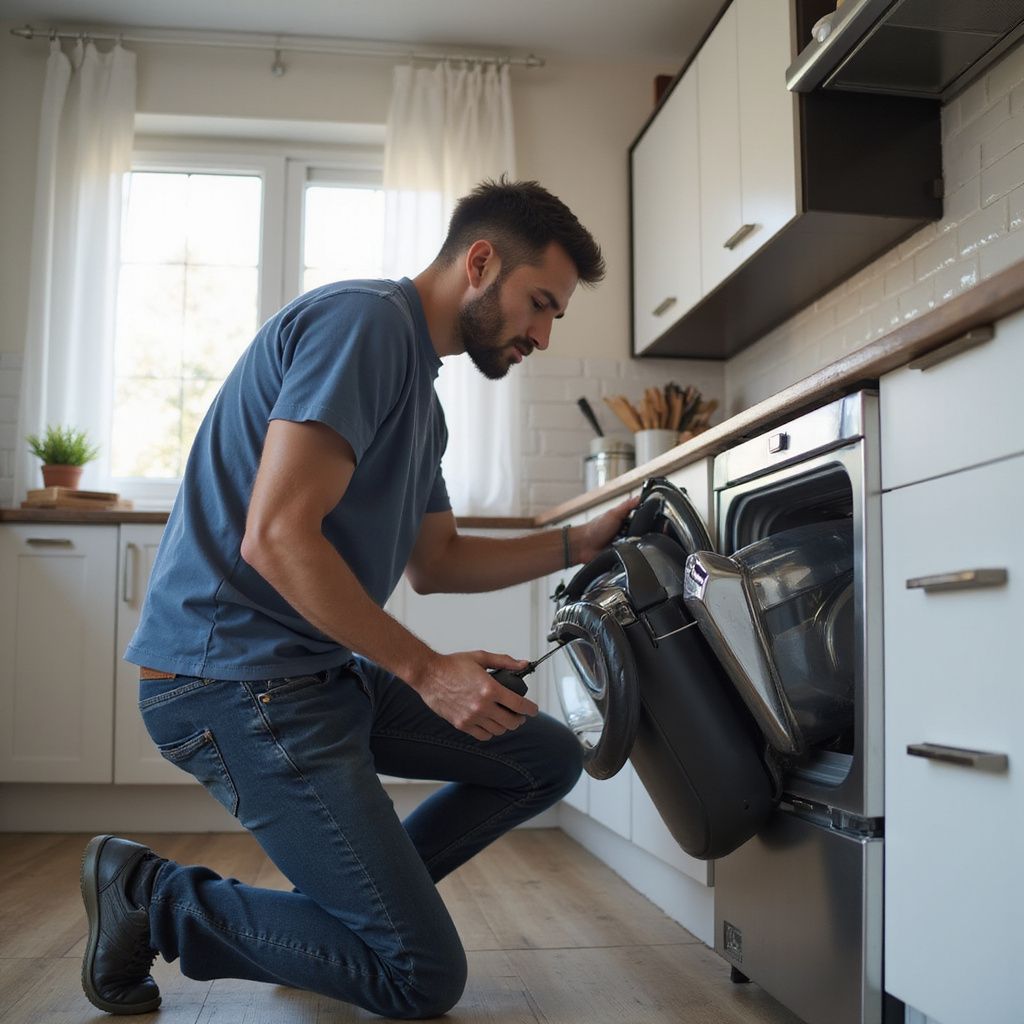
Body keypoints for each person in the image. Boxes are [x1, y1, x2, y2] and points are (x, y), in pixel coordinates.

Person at [79, 178, 638, 1018]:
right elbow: (275, 536)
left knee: (542, 756)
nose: (544, 335)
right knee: (418, 978)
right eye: (540, 304)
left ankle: (332, 931)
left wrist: (578, 543)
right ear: (480, 262)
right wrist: (427, 671)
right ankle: (151, 896)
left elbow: (436, 561)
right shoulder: (367, 325)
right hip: (231, 684)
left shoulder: (423, 395)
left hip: (311, 673)